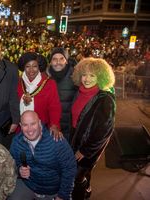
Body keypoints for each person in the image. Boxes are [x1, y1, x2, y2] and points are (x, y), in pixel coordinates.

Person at [70, 58, 116, 200]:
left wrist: (85, 150)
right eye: (84, 75)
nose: (87, 79)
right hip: (74, 140)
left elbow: (104, 131)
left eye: (92, 75)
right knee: (82, 174)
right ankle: (87, 189)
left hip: (88, 148)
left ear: (101, 77)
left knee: (76, 177)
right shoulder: (80, 92)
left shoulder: (105, 99)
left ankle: (80, 195)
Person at [9, 111, 77, 200]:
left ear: (39, 122)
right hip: (29, 184)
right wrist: (19, 170)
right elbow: (11, 165)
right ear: (20, 126)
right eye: (25, 125)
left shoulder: (56, 140)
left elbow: (69, 169)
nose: (29, 129)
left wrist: (63, 195)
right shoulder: (17, 142)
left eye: (33, 124)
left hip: (53, 189)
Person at [17, 52, 62, 138]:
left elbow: (55, 107)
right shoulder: (18, 82)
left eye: (34, 66)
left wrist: (54, 125)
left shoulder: (49, 84)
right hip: (20, 130)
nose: (31, 70)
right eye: (27, 66)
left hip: (42, 130)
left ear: (39, 67)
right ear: (23, 67)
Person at [47, 47, 78, 142]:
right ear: (50, 62)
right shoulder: (46, 76)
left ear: (66, 61)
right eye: (54, 59)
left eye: (61, 59)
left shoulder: (75, 76)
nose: (58, 62)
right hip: (51, 125)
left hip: (69, 126)